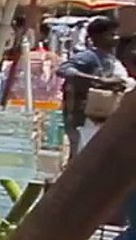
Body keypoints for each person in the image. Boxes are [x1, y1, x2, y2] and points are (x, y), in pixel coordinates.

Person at [58, 16, 135, 157]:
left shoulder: (110, 58)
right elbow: (64, 70)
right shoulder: (89, 56)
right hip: (87, 120)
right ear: (97, 37)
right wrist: (98, 80)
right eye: (111, 34)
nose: (116, 38)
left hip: (102, 118)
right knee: (82, 158)